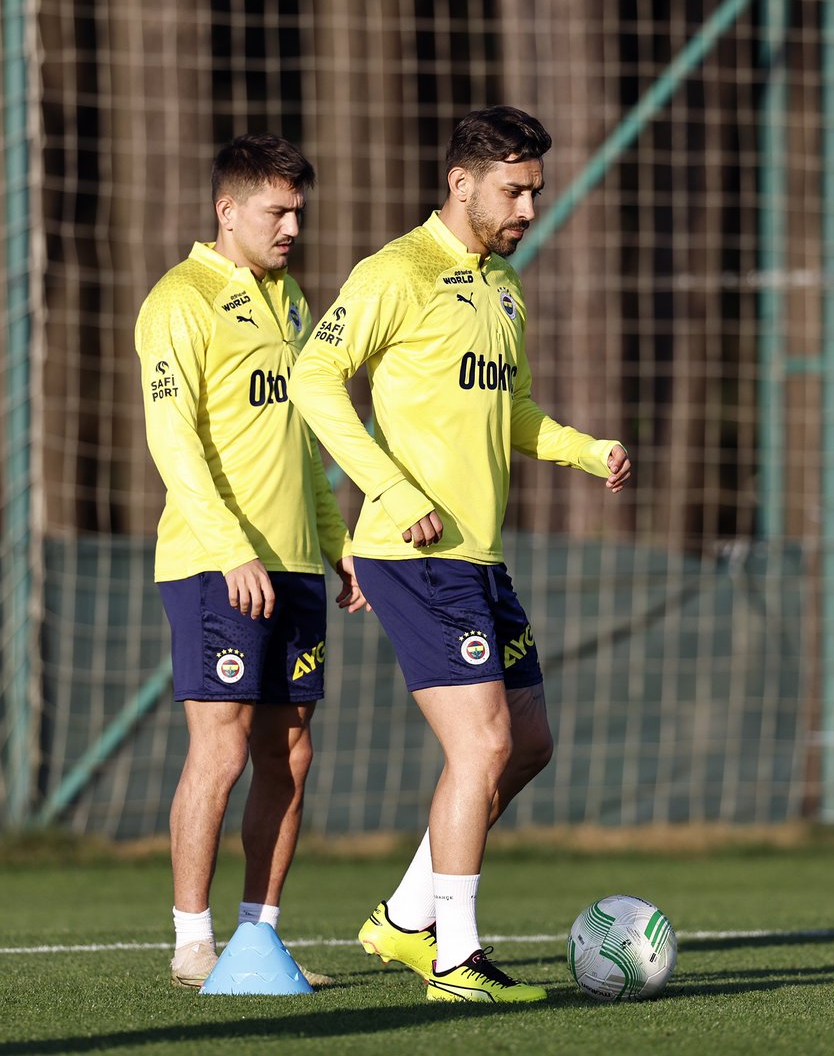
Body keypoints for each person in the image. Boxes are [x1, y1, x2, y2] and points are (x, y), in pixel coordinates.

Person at [289, 106, 631, 1004]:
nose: (527, 208)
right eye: (514, 191)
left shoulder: (504, 288)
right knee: (480, 743)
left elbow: (509, 411)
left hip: (480, 557)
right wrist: (391, 496)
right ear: (461, 182)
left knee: (527, 743)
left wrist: (587, 449)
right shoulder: (395, 271)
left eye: (535, 192)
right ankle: (455, 957)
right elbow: (313, 378)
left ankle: (405, 916)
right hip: (414, 554)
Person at [135, 132, 365, 990]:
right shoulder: (179, 300)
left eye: (299, 210)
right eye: (277, 210)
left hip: (296, 565)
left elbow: (306, 441)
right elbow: (173, 440)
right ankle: (192, 939)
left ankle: (257, 937)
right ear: (227, 211)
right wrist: (232, 548)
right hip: (211, 561)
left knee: (291, 749)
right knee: (221, 749)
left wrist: (334, 543)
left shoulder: (293, 302)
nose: (293, 226)